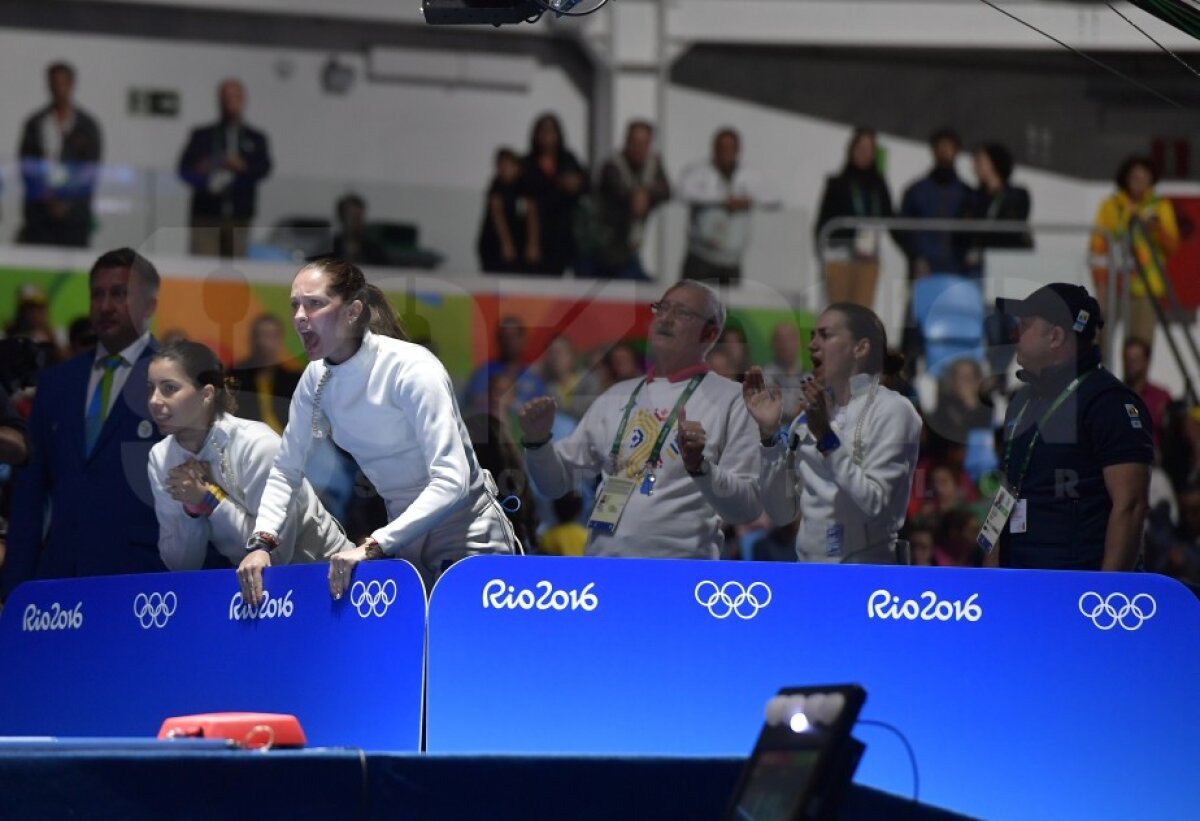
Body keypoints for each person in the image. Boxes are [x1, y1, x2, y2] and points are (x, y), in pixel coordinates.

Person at [245, 260, 515, 602]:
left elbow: (453, 478)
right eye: (295, 304)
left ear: (353, 311)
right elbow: (286, 470)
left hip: (467, 531)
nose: (300, 316)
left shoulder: (412, 369)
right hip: (402, 535)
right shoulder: (316, 378)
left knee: (476, 651)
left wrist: (376, 544)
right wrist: (262, 541)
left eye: (314, 303)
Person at [519, 280, 762, 559]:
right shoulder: (617, 395)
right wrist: (538, 443)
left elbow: (746, 508)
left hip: (677, 575)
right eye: (663, 308)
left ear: (710, 333)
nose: (666, 319)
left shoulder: (731, 400)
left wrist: (701, 469)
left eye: (683, 313)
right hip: (603, 568)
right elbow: (555, 483)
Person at [3, 249, 164, 597]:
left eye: (119, 294)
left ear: (149, 305)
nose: (105, 306)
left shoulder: (176, 381)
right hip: (59, 575)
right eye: (97, 294)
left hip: (141, 582)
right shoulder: (56, 383)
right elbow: (30, 494)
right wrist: (13, 588)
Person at [147, 340, 350, 585]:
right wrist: (192, 511)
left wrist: (210, 499)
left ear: (206, 395)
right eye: (151, 388)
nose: (154, 401)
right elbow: (181, 565)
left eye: (169, 388)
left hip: (329, 572)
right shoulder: (161, 458)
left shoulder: (257, 445)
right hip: (254, 585)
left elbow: (275, 555)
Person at [989, 283, 1153, 571]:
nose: (1015, 334)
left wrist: (1107, 595)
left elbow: (1130, 505)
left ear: (1055, 337)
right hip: (1019, 582)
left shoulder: (1109, 403)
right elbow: (1004, 495)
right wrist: (987, 576)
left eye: (1025, 325)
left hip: (1077, 589)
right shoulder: (1022, 401)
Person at [745, 303, 922, 564]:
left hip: (867, 576)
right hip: (810, 574)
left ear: (860, 348)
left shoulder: (894, 410)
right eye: (812, 336)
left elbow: (876, 505)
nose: (812, 345)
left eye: (825, 335)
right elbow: (781, 513)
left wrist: (827, 437)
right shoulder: (806, 419)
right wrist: (769, 435)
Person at [1089, 155, 1179, 348]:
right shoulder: (1111, 206)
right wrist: (1101, 284)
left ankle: (1135, 379)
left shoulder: (1160, 206)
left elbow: (1172, 246)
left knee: (1139, 347)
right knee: (1097, 338)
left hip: (1146, 289)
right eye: (1134, 177)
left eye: (1143, 177)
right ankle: (1097, 377)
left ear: (1151, 179)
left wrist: (1156, 228)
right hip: (1115, 285)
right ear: (1125, 178)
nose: (1138, 182)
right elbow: (1097, 248)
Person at [178, 78, 273, 258]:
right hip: (206, 216)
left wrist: (242, 166)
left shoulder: (255, 138)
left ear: (243, 99)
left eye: (235, 97)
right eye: (226, 97)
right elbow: (185, 171)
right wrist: (210, 165)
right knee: (204, 270)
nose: (231, 102)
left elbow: (263, 168)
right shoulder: (203, 136)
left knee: (235, 273)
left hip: (239, 216)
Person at [17, 62, 103, 248]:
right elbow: (27, 167)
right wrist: (48, 199)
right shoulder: (36, 123)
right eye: (54, 83)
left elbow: (90, 171)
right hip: (40, 215)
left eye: (62, 83)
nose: (58, 88)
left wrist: (66, 202)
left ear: (71, 84)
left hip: (74, 217)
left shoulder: (87, 126)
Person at [678, 128, 777, 285]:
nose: (726, 152)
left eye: (730, 148)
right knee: (694, 306)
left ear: (738, 150)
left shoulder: (749, 175)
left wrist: (747, 200)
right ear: (714, 149)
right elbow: (684, 192)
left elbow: (773, 198)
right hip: (701, 257)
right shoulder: (699, 172)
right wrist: (723, 200)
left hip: (731, 260)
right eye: (722, 148)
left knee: (729, 308)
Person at [814, 127, 894, 309]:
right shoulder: (837, 183)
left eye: (869, 149)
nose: (864, 153)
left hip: (868, 255)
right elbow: (823, 220)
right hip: (839, 254)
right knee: (840, 310)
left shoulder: (879, 184)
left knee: (862, 312)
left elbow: (891, 218)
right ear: (851, 150)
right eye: (860, 148)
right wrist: (820, 251)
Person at [582, 120, 671, 280]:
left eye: (644, 144)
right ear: (627, 142)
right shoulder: (612, 166)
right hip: (599, 251)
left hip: (628, 252)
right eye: (635, 143)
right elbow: (617, 190)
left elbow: (666, 191)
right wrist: (635, 196)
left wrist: (647, 194)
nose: (639, 149)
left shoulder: (652, 165)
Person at [897, 128, 972, 278]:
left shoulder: (967, 194)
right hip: (924, 269)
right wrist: (916, 257)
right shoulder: (916, 191)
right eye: (941, 147)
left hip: (957, 269)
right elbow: (903, 228)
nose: (944, 151)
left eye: (949, 147)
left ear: (957, 151)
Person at [520, 113, 587, 275]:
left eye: (551, 131)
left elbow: (586, 183)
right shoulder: (528, 163)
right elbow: (527, 200)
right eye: (542, 131)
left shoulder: (568, 159)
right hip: (536, 232)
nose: (546, 136)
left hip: (564, 233)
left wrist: (575, 184)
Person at [228, 313, 303, 434]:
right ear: (252, 340)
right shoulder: (235, 376)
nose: (264, 343)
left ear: (280, 340)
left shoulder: (293, 380)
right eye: (260, 336)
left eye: (271, 336)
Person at [463, 316, 548, 414]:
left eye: (513, 336)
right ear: (498, 340)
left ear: (523, 339)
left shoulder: (533, 378)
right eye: (504, 336)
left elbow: (542, 410)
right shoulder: (482, 373)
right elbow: (473, 404)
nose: (508, 341)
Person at [477, 148, 533, 274]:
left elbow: (531, 213)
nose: (504, 169)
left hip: (518, 240)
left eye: (508, 165)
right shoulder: (496, 186)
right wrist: (506, 243)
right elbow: (498, 216)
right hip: (494, 242)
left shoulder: (524, 186)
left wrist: (532, 243)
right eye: (501, 165)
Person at [1122, 336, 1172, 447]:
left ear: (1146, 362)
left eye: (1136, 359)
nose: (1131, 364)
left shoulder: (1160, 397)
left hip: (1153, 459)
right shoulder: (1115, 395)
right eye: (1128, 359)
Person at [760, 322, 808, 422]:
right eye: (780, 340)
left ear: (800, 343)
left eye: (790, 339)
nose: (785, 344)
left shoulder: (810, 378)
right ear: (772, 343)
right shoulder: (762, 378)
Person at [332, 193, 388, 266]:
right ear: (342, 218)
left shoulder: (374, 250)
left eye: (360, 218)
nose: (358, 222)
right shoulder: (331, 248)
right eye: (353, 218)